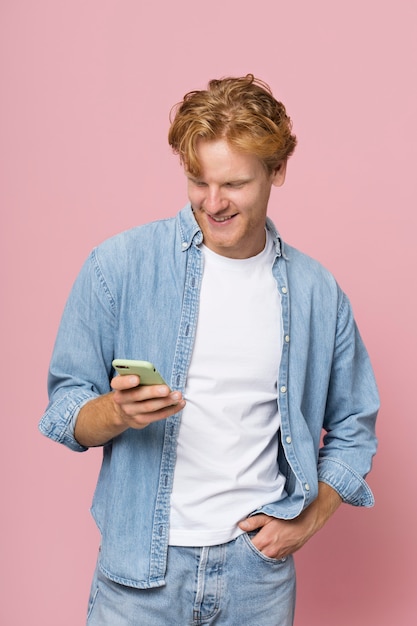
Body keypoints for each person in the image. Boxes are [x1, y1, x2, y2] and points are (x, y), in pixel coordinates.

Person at [39, 74, 379, 626]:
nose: (213, 203)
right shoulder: (118, 266)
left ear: (278, 171)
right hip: (139, 575)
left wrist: (309, 519)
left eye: (235, 184)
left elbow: (354, 425)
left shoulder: (318, 293)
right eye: (198, 180)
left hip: (257, 577)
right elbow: (63, 411)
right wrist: (116, 412)